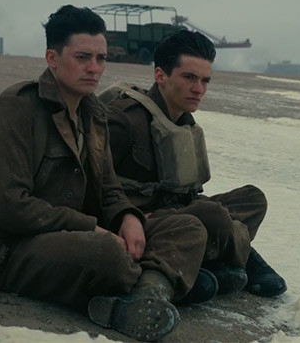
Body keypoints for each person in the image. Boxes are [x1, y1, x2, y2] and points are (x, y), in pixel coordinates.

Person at [0, 5, 212, 342]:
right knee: (106, 255)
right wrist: (91, 228)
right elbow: (10, 207)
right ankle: (154, 283)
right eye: (82, 57)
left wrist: (126, 217)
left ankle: (145, 296)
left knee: (187, 227)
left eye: (101, 58)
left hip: (74, 236)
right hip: (8, 248)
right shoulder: (17, 107)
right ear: (52, 58)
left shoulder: (93, 113)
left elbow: (109, 188)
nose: (94, 68)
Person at [104, 29, 287, 298]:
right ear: (161, 75)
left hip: (180, 214)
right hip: (141, 225)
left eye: (204, 80)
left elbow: (187, 192)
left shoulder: (183, 123)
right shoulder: (125, 119)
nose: (199, 89)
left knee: (253, 199)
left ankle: (207, 259)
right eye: (189, 77)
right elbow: (91, 184)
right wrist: (129, 216)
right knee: (211, 215)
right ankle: (240, 258)